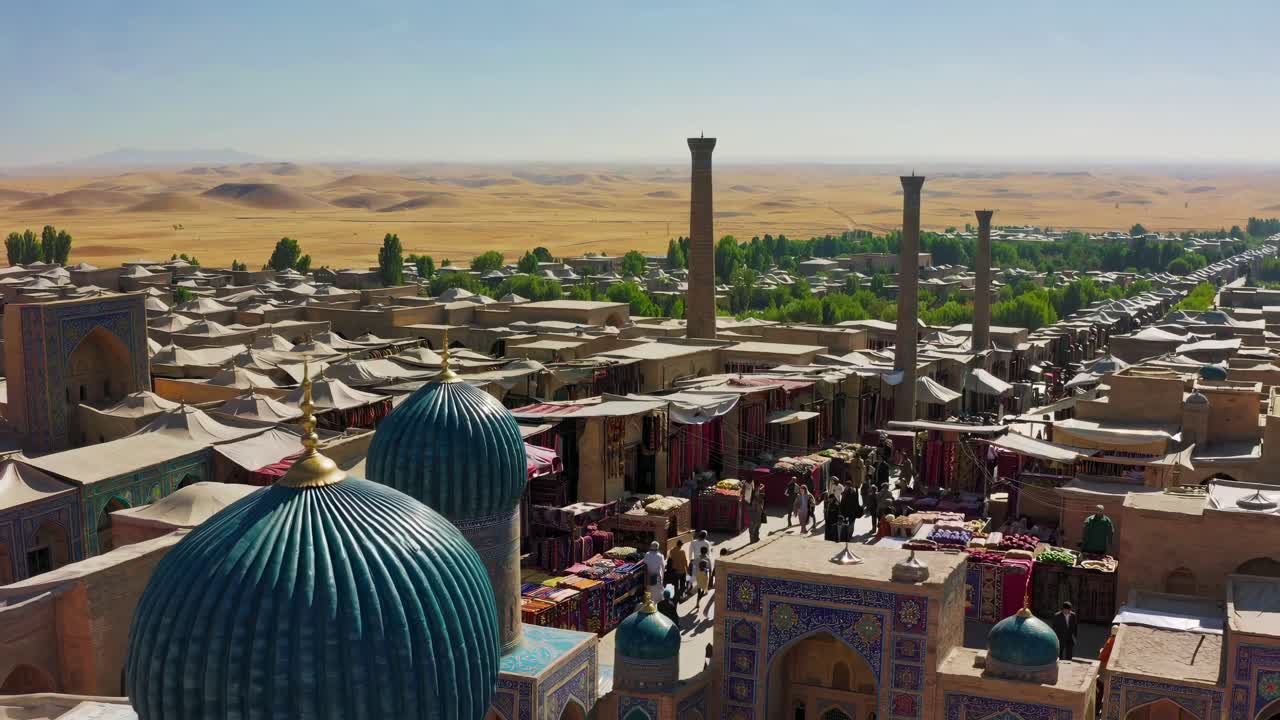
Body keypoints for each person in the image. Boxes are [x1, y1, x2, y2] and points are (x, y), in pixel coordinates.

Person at [694, 546, 713, 610]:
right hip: (704, 575)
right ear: (706, 552)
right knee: (703, 589)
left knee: (699, 588)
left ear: (700, 551)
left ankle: (697, 602)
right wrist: (710, 577)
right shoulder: (708, 559)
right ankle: (698, 601)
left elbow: (695, 566)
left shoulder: (697, 558)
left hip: (698, 575)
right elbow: (709, 569)